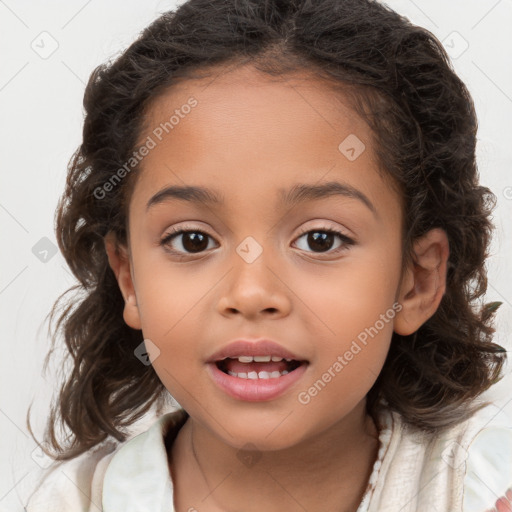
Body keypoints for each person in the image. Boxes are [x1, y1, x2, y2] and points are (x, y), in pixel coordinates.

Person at [22, 0, 512, 510]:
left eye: (321, 239)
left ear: (416, 280)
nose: (251, 293)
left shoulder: (483, 484)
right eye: (192, 240)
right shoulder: (71, 502)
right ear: (128, 279)